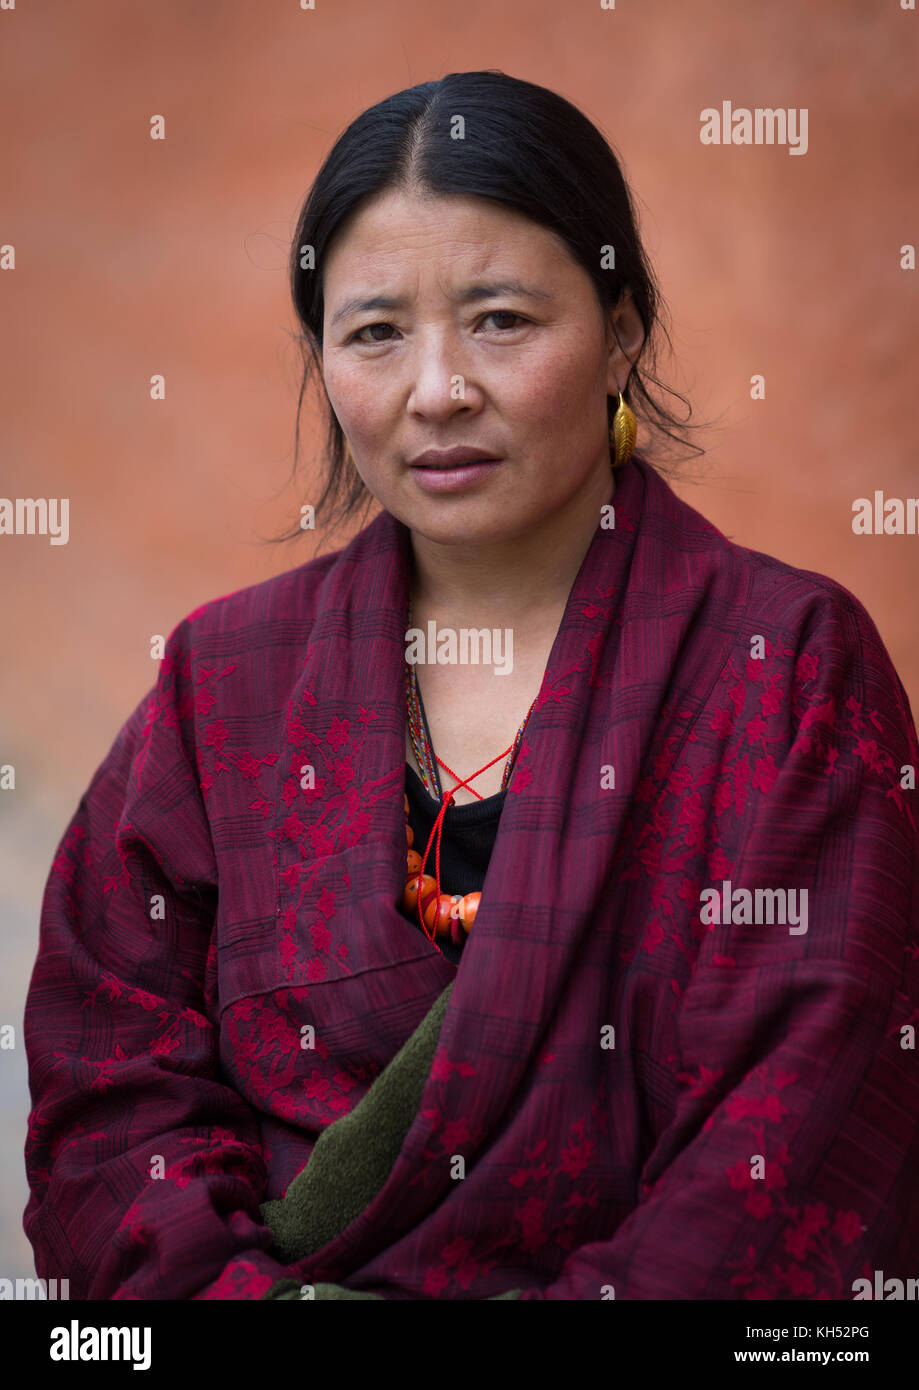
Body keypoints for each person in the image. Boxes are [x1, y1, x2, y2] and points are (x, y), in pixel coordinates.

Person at [23, 70, 919, 1301]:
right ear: (325, 359)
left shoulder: (785, 671)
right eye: (375, 332)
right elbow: (107, 1090)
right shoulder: (222, 684)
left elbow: (791, 1149)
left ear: (622, 331)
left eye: (500, 319)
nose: (436, 387)